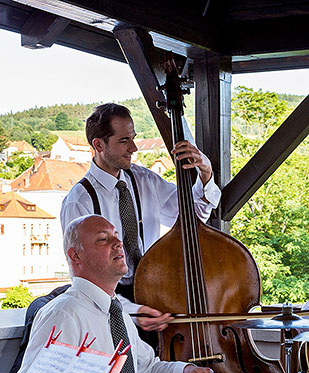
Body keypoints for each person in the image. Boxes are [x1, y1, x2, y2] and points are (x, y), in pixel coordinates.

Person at [14, 215, 215, 373]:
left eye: (116, 236)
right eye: (103, 239)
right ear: (76, 255)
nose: (117, 243)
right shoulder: (64, 313)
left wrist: (186, 372)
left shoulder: (118, 313)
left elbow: (146, 372)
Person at [60, 103, 221, 334]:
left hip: (157, 294)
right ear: (98, 145)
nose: (134, 148)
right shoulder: (79, 201)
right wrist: (132, 312)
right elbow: (84, 280)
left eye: (133, 138)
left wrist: (205, 173)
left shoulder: (144, 179)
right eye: (124, 141)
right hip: (110, 310)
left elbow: (192, 218)